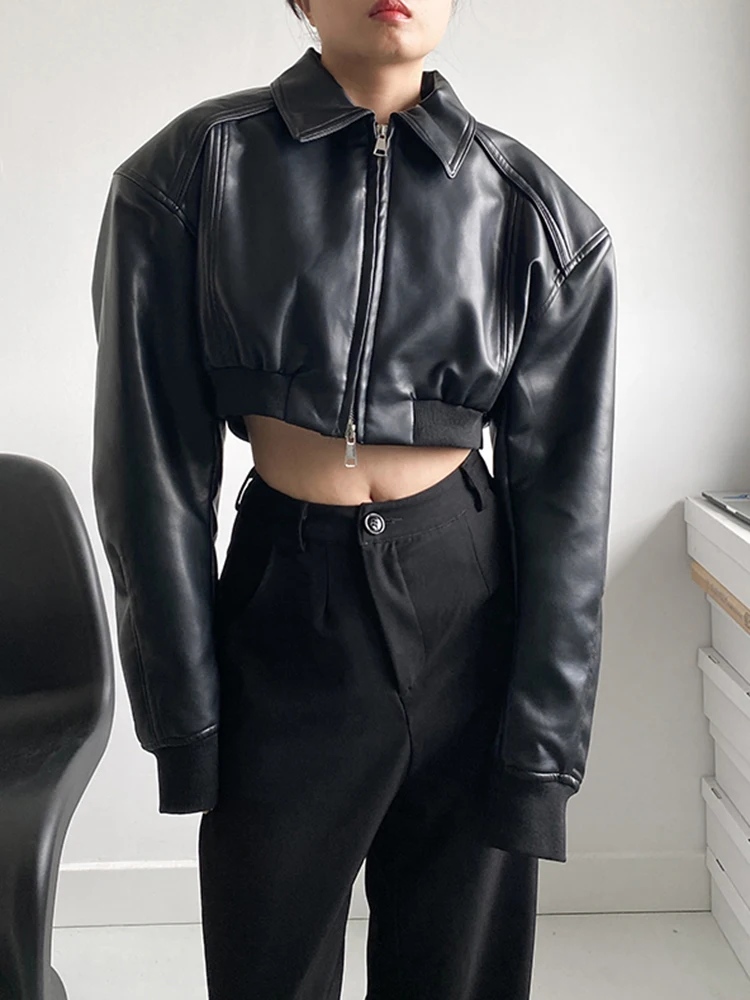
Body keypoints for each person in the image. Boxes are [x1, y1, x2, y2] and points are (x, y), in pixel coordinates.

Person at [90, 0, 617, 997]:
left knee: (456, 969)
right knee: (268, 963)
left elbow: (568, 512)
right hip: (286, 602)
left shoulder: (540, 216)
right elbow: (148, 467)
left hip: (469, 609)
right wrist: (183, 721)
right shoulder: (188, 175)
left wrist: (542, 756)